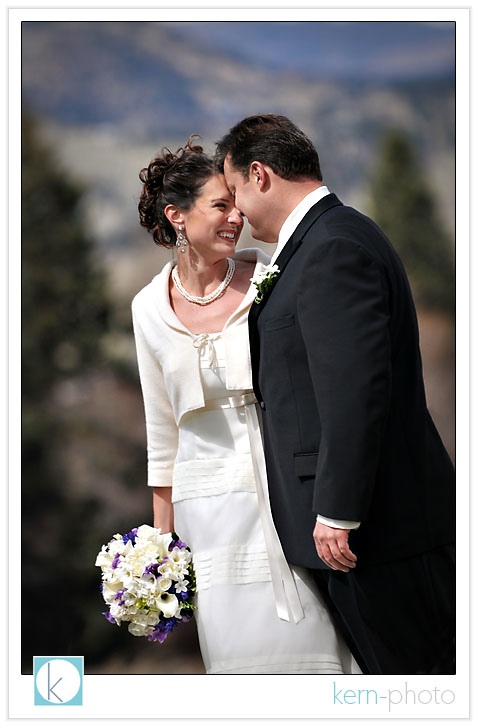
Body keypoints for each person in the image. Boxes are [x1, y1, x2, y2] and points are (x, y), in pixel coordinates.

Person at [215, 114, 456, 675]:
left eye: (235, 193)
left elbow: (355, 388)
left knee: (419, 682)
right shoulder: (327, 239)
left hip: (376, 533)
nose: (238, 213)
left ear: (260, 174)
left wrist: (340, 509)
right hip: (367, 534)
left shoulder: (332, 250)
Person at [131, 136, 361, 674]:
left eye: (236, 202)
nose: (237, 217)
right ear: (177, 216)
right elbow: (161, 432)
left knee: (311, 645)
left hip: (279, 489)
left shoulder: (269, 275)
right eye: (220, 205)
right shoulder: (146, 309)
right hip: (206, 515)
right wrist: (162, 548)